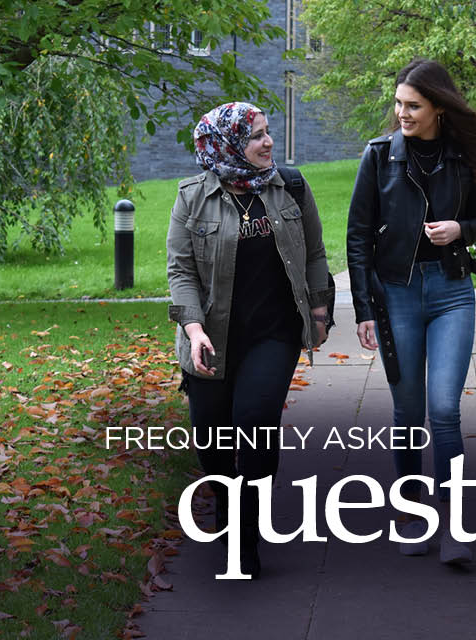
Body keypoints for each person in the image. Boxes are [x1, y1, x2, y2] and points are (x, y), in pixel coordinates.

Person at [166, 102, 333, 578]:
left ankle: (246, 532)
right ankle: (225, 501)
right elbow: (180, 271)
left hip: (272, 333)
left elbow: (315, 251)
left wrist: (319, 308)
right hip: (211, 336)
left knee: (255, 422)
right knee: (211, 442)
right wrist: (194, 329)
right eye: (255, 136)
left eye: (267, 132)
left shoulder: (291, 187)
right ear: (227, 145)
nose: (268, 142)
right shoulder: (192, 197)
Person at [347, 59, 476, 564]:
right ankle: (414, 515)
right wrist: (365, 310)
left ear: (437, 105)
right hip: (398, 294)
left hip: (452, 291)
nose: (402, 113)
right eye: (399, 104)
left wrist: (461, 231)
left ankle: (454, 525)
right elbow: (357, 238)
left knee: (445, 410)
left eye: (413, 105)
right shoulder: (378, 157)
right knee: (409, 413)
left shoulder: (464, 154)